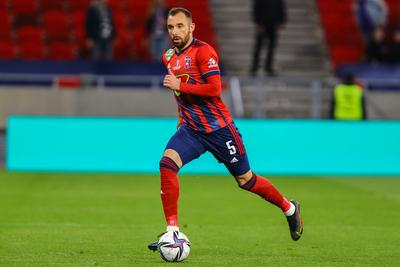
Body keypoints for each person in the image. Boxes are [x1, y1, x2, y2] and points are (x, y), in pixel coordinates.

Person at [148, 7, 303, 251]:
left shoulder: (204, 52)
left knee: (246, 180)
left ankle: (289, 208)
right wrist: (180, 114)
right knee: (167, 164)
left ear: (191, 27)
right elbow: (179, 92)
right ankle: (172, 231)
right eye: (170, 27)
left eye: (180, 26)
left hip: (220, 129)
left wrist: (180, 85)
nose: (175, 31)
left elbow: (214, 89)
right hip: (192, 130)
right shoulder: (168, 56)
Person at [250, 0, 287, 76]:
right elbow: (256, 9)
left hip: (273, 25)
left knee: (271, 49)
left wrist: (280, 22)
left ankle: (268, 67)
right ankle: (254, 67)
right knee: (258, 48)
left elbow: (281, 9)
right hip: (262, 25)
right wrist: (258, 23)